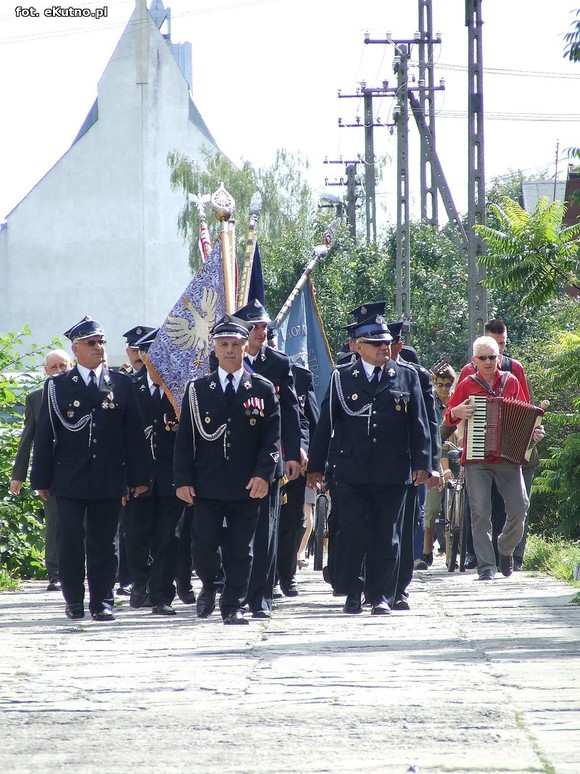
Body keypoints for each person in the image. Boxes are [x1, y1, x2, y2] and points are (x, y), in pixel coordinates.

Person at [307, 314, 431, 615]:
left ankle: (380, 595)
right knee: (352, 530)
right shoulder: (341, 377)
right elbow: (326, 423)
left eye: (386, 342)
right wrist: (316, 465)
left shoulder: (406, 376)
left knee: (387, 535)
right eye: (375, 343)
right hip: (351, 469)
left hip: (393, 470)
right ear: (358, 346)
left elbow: (419, 424)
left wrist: (423, 463)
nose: (383, 348)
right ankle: (353, 591)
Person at [30, 316, 150, 621]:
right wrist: (40, 478)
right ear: (76, 349)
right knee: (69, 538)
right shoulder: (57, 386)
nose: (99, 347)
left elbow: (133, 435)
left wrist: (138, 476)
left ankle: (102, 601)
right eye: (91, 343)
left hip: (108, 476)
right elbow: (45, 434)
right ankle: (73, 599)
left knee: (105, 543)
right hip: (69, 476)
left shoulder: (120, 384)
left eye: (101, 342)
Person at [173, 315, 281, 625]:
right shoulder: (197, 389)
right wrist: (182, 480)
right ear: (215, 349)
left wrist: (263, 475)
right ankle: (211, 584)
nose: (230, 350)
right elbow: (185, 439)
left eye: (235, 344)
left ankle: (233, 605)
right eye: (224, 345)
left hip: (247, 484)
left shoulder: (261, 388)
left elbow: (271, 439)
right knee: (204, 545)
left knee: (240, 550)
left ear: (245, 348)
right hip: (207, 483)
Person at [444, 336, 545, 581]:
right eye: (483, 358)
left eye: (492, 357)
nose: (488, 362)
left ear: (499, 358)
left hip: (508, 457)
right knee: (480, 512)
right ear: (474, 360)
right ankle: (486, 566)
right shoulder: (467, 384)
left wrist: (534, 432)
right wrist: (457, 411)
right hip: (476, 458)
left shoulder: (511, 381)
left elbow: (526, 415)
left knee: (519, 507)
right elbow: (449, 417)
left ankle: (505, 549)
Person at [232, 299, 302, 618]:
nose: (262, 332)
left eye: (264, 327)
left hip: (269, 459)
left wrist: (293, 452)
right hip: (232, 461)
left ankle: (260, 598)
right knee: (232, 532)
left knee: (266, 531)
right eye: (255, 327)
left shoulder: (278, 363)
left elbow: (290, 409)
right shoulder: (223, 361)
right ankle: (233, 591)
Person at [125, 329, 185, 616]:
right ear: (143, 356)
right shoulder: (129, 387)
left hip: (172, 478)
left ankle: (162, 595)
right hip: (139, 478)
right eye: (154, 355)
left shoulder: (181, 389)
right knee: (136, 535)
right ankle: (141, 580)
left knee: (168, 537)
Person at [10, 349, 73, 591]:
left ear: (71, 366)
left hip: (82, 469)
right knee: (55, 524)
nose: (59, 371)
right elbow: (27, 437)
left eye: (63, 366)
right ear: (45, 371)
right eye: (54, 367)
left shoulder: (82, 393)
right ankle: (55, 574)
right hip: (52, 472)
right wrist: (18, 475)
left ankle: (86, 572)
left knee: (88, 524)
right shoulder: (36, 398)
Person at [388, 328, 440, 610]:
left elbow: (430, 423)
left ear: (399, 345)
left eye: (390, 342)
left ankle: (399, 585)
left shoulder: (415, 375)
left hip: (409, 463)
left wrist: (432, 464)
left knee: (409, 521)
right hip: (369, 465)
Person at [418, 363, 458, 567]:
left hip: (456, 455)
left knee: (454, 509)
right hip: (435, 457)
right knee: (432, 508)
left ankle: (451, 553)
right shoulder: (429, 402)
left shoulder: (457, 401)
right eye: (440, 384)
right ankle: (426, 551)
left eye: (447, 385)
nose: (443, 389)